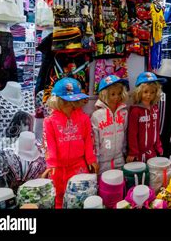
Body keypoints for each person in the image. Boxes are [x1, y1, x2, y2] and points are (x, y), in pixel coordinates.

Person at [43, 77, 98, 208]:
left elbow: (88, 140)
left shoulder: (83, 118)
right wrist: (52, 163)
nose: (70, 106)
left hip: (78, 164)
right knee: (58, 195)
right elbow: (49, 144)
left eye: (73, 102)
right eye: (66, 102)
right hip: (59, 167)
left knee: (80, 195)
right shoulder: (50, 121)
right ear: (57, 101)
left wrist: (91, 159)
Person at [90, 75, 129, 174]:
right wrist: (96, 160)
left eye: (119, 93)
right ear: (105, 94)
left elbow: (125, 133)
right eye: (113, 94)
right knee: (104, 186)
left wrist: (125, 152)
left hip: (120, 159)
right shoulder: (97, 115)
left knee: (119, 183)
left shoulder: (124, 113)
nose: (117, 97)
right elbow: (95, 140)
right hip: (102, 161)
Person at [127, 72, 165, 163]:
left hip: (152, 152)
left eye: (152, 92)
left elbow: (156, 130)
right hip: (139, 154)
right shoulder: (135, 111)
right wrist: (133, 152)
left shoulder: (155, 109)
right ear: (139, 92)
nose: (149, 95)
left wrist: (158, 147)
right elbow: (132, 134)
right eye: (146, 92)